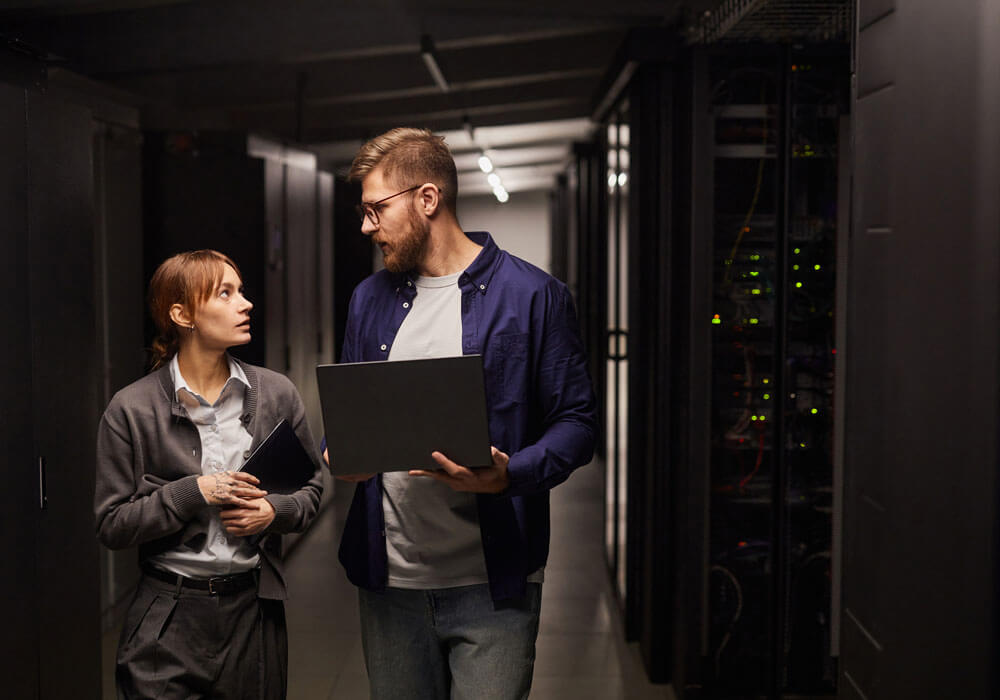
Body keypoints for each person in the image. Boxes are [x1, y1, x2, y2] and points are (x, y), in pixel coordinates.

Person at [333, 127, 597, 699]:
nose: (366, 226)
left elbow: (576, 424)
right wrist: (345, 453)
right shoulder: (368, 299)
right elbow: (355, 414)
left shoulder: (535, 295)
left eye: (376, 209)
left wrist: (512, 474)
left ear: (427, 199)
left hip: (493, 585)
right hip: (390, 585)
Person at [94, 250, 324, 699]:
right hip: (166, 616)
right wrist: (191, 492)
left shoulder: (277, 393)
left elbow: (313, 489)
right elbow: (111, 524)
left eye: (240, 290)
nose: (245, 303)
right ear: (182, 314)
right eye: (225, 293)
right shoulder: (131, 409)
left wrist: (272, 511)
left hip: (253, 614)